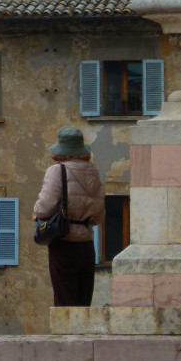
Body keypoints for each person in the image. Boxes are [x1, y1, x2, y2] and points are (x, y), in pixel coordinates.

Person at [33, 126, 105, 307]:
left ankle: (65, 337)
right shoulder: (94, 172)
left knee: (65, 306)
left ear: (61, 151)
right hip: (87, 246)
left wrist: (36, 212)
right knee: (83, 306)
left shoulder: (57, 171)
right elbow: (99, 216)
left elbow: (44, 208)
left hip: (63, 244)